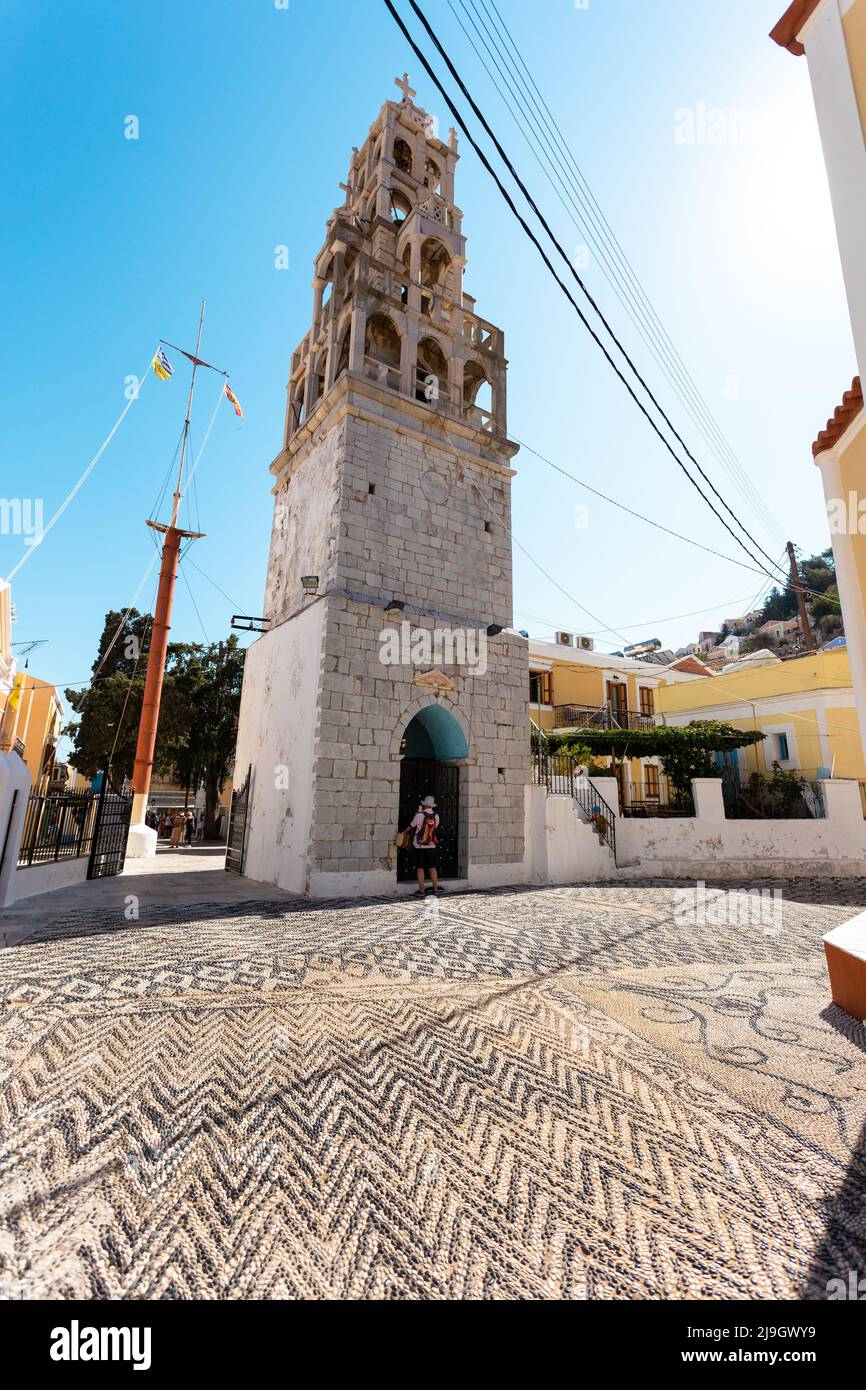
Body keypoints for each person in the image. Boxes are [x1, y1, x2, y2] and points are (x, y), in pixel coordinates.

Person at [404, 794, 442, 897]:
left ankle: (421, 891)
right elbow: (435, 828)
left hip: (419, 846)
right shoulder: (436, 816)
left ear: (424, 805)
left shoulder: (419, 815)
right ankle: (435, 889)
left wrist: (403, 833)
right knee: (432, 867)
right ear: (432, 806)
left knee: (420, 868)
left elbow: (411, 827)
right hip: (431, 845)